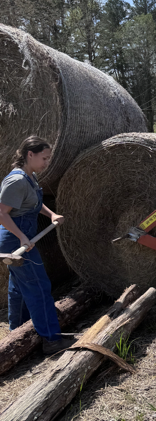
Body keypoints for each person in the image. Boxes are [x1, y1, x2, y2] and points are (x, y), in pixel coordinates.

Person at [0, 136, 72, 355]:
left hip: (21, 236)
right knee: (39, 287)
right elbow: (2, 214)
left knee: (19, 288)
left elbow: (33, 203)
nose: (47, 163)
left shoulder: (30, 177)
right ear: (30, 154)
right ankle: (51, 339)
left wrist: (51, 215)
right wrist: (22, 237)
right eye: (44, 158)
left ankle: (17, 335)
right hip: (15, 240)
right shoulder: (17, 181)